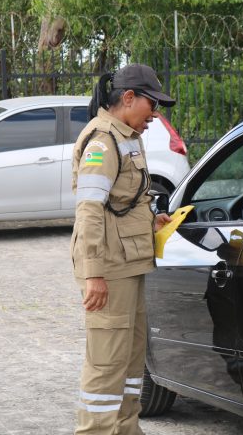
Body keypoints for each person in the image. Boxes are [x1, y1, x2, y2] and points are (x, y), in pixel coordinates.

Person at [70, 63, 174, 435]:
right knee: (106, 365)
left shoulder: (128, 135)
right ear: (128, 98)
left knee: (131, 362)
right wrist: (93, 273)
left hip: (130, 266)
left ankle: (128, 430)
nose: (155, 113)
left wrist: (152, 222)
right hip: (109, 270)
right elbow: (90, 210)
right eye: (152, 103)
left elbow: (124, 201)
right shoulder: (102, 142)